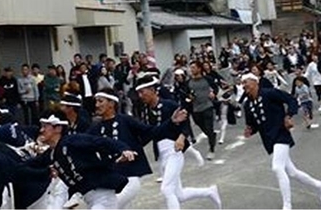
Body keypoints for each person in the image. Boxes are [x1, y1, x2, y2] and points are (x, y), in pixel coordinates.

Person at [88, 88, 189, 209]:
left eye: (100, 101)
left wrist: (171, 122)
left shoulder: (126, 121)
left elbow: (151, 131)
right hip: (111, 180)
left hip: (130, 178)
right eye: (96, 102)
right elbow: (83, 144)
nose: (97, 105)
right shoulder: (95, 128)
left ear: (111, 104)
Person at [241, 73, 321, 210]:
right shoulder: (248, 105)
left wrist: (288, 116)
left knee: (277, 167)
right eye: (242, 83)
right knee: (292, 172)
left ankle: (287, 205)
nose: (243, 85)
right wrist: (250, 131)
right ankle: (320, 185)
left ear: (255, 82)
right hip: (269, 140)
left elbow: (291, 100)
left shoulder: (270, 93)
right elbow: (254, 125)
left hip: (280, 134)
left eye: (246, 82)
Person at [136, 75, 222, 210]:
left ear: (152, 90)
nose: (140, 96)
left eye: (143, 92)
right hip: (161, 154)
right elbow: (149, 133)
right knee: (179, 195)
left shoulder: (169, 105)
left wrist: (182, 137)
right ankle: (210, 191)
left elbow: (185, 122)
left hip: (174, 151)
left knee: (166, 189)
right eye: (139, 93)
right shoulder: (146, 111)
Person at [30, 109, 137, 209]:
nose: (41, 130)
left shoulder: (72, 140)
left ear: (58, 128)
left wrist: (124, 149)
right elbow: (26, 166)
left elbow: (101, 142)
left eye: (45, 126)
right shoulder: (51, 155)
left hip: (103, 195)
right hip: (89, 199)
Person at [188, 61, 218, 160]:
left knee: (209, 127)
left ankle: (212, 150)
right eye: (191, 68)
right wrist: (189, 97)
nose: (191, 70)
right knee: (202, 127)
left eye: (193, 67)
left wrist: (213, 94)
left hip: (207, 106)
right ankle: (212, 136)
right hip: (196, 108)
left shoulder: (207, 79)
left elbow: (215, 88)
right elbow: (187, 94)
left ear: (199, 69)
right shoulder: (189, 82)